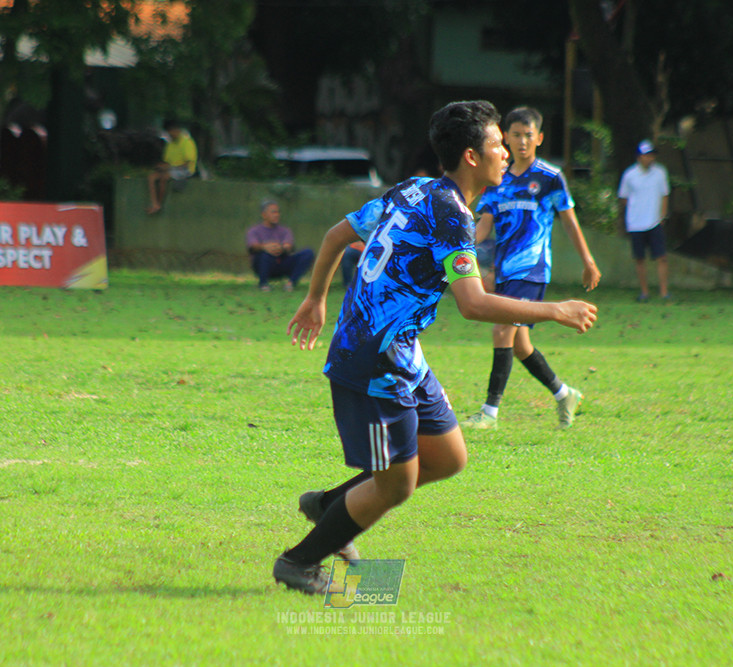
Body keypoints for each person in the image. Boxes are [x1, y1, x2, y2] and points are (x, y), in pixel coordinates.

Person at [273, 100, 598, 595]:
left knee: (448, 457)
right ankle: (299, 562)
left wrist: (317, 297)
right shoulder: (450, 214)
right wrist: (556, 310)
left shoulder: (415, 188)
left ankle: (329, 506)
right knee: (396, 485)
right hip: (374, 361)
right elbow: (472, 303)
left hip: (404, 354)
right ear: (472, 156)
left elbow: (338, 234)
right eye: (497, 144)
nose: (507, 152)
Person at [462, 107, 601, 431]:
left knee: (501, 331)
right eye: (516, 135)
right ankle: (564, 393)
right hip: (506, 269)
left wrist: (588, 261)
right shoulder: (497, 179)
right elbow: (484, 226)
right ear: (506, 139)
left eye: (529, 135)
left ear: (538, 138)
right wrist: (458, 247)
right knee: (520, 344)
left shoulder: (550, 178)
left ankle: (489, 413)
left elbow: (569, 221)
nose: (522, 141)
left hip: (533, 269)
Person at [618, 139, 671, 302]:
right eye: (646, 155)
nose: (650, 158)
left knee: (661, 257)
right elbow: (623, 197)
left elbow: (665, 195)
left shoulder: (660, 172)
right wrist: (634, 212)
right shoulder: (630, 175)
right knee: (640, 258)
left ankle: (664, 292)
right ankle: (644, 292)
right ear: (639, 157)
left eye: (652, 155)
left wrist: (662, 216)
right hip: (636, 223)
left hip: (654, 222)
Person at [245, 200, 315, 291]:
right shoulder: (254, 230)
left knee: (308, 252)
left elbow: (288, 245)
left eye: (278, 212)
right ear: (264, 215)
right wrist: (265, 247)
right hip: (264, 264)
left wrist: (280, 248)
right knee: (264, 254)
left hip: (282, 261)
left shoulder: (285, 230)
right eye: (273, 212)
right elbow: (252, 246)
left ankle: (291, 284)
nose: (277, 215)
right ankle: (263, 284)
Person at [146, 119, 197, 215]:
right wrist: (161, 166)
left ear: (176, 130)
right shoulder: (170, 143)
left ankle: (159, 205)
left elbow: (187, 163)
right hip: (170, 168)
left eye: (171, 133)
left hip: (185, 170)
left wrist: (170, 167)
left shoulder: (186, 142)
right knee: (152, 177)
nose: (170, 135)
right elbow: (166, 161)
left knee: (164, 177)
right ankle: (154, 203)